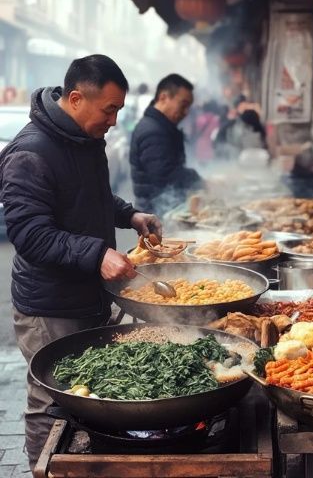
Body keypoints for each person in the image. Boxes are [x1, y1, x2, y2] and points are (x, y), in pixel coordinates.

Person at [0, 54, 162, 471]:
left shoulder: (85, 140)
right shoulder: (30, 154)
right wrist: (96, 254)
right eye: (109, 110)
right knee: (50, 399)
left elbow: (90, 197)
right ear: (75, 99)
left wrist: (129, 215)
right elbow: (30, 235)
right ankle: (44, 469)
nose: (113, 121)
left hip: (88, 297)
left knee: (89, 390)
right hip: (49, 308)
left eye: (118, 111)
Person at [129, 73, 203, 216]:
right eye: (183, 105)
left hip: (162, 211)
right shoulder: (152, 131)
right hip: (155, 215)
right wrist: (199, 181)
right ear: (163, 97)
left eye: (189, 107)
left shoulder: (160, 126)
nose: (186, 112)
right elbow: (165, 174)